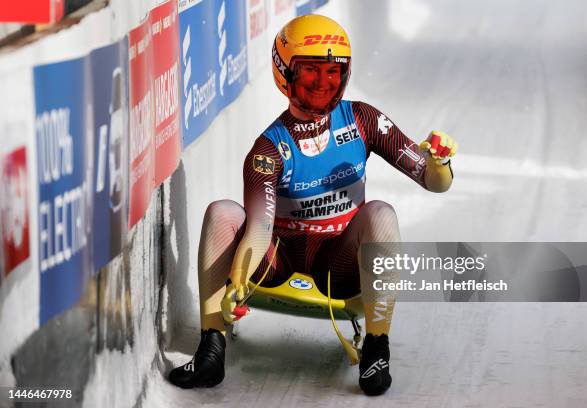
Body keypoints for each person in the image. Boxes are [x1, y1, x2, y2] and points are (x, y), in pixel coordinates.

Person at [168, 14, 457, 396]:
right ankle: (211, 347)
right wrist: (238, 282)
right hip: (275, 259)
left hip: (339, 263)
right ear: (286, 74)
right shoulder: (269, 149)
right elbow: (258, 226)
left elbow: (433, 183)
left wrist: (440, 163)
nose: (323, 84)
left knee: (381, 214)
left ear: (345, 74)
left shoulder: (363, 120)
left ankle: (376, 347)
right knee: (223, 212)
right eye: (310, 72)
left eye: (332, 73)